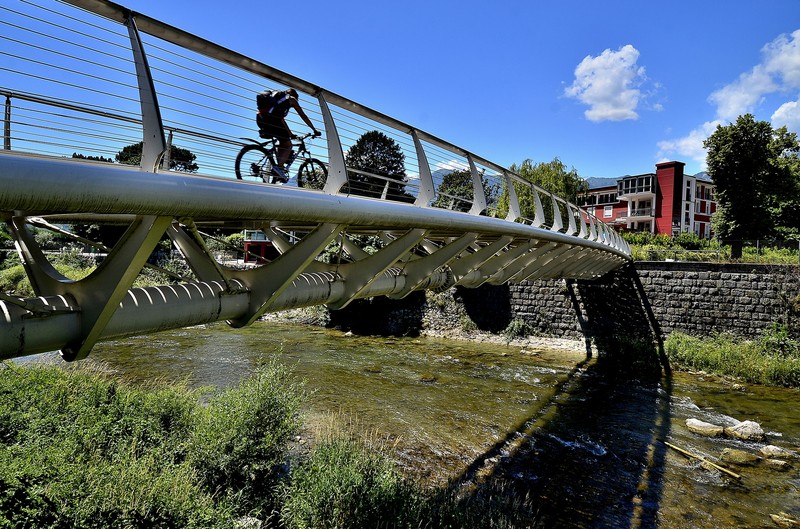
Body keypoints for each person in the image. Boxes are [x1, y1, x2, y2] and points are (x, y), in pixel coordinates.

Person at [256, 88, 321, 182]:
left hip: (261, 118)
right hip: (271, 120)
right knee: (288, 145)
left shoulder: (277, 101)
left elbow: (281, 120)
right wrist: (314, 130)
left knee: (283, 142)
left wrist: (290, 134)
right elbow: (303, 116)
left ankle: (279, 169)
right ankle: (278, 168)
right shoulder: (291, 99)